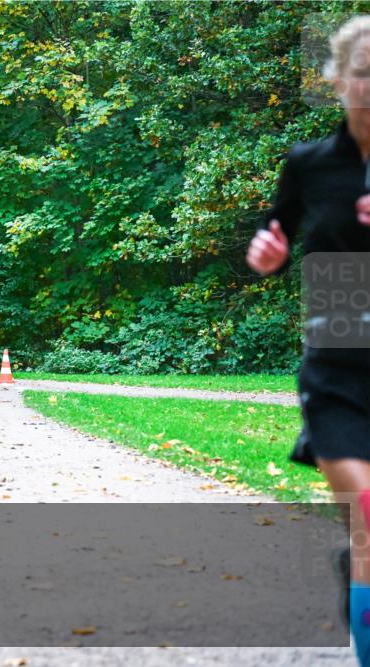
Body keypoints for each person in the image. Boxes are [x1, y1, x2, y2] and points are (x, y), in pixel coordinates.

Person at [246, 15, 370, 665]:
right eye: (364, 72)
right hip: (336, 366)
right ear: (338, 80)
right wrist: (266, 256)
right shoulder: (310, 164)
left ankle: (356, 568)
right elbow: (273, 238)